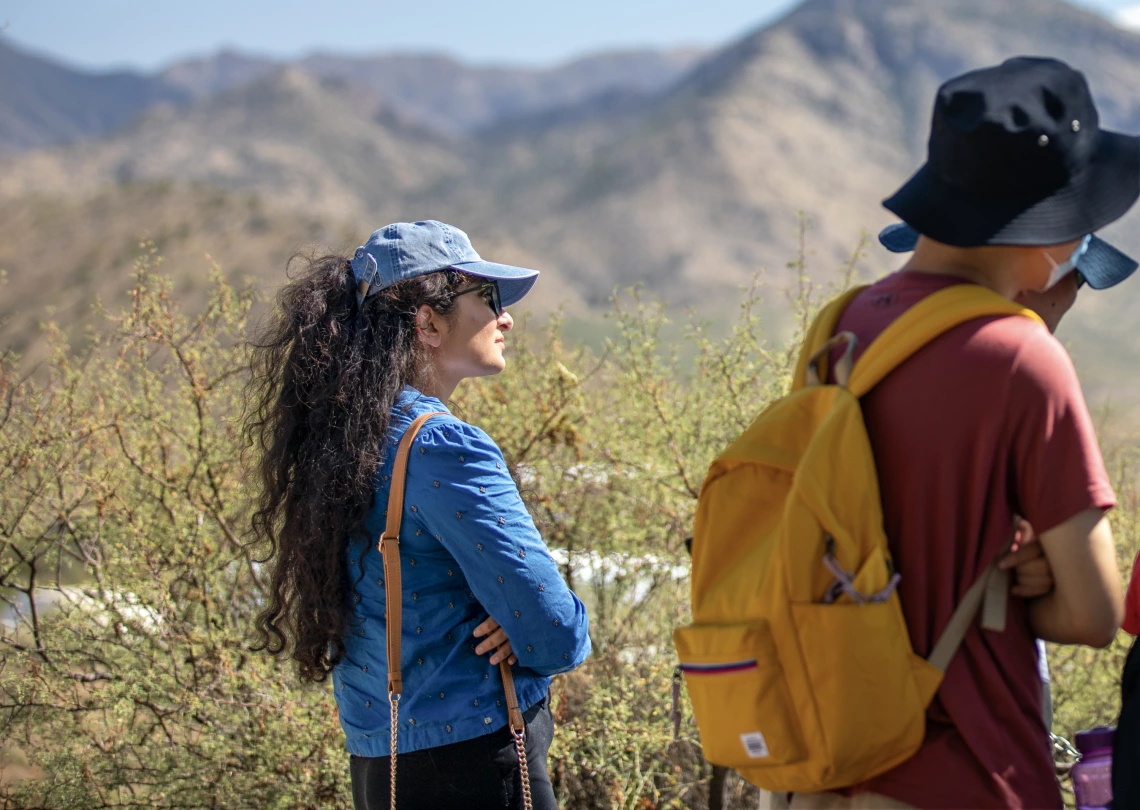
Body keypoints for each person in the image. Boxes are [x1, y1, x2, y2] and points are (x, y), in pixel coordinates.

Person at [781, 57, 1132, 810]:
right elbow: (1094, 615)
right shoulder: (1022, 357)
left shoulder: (837, 328)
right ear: (1046, 233)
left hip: (831, 756)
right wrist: (1014, 581)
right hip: (968, 769)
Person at [245, 220, 592, 810]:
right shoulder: (445, 447)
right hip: (478, 761)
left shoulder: (341, 446)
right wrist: (532, 625)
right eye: (487, 298)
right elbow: (556, 635)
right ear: (427, 323)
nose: (504, 316)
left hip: (381, 761)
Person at [877, 222, 1140, 736]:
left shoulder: (848, 332)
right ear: (1037, 270)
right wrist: (1034, 590)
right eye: (1076, 276)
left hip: (828, 716)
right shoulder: (1022, 365)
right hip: (964, 737)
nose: (1073, 296)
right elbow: (1095, 615)